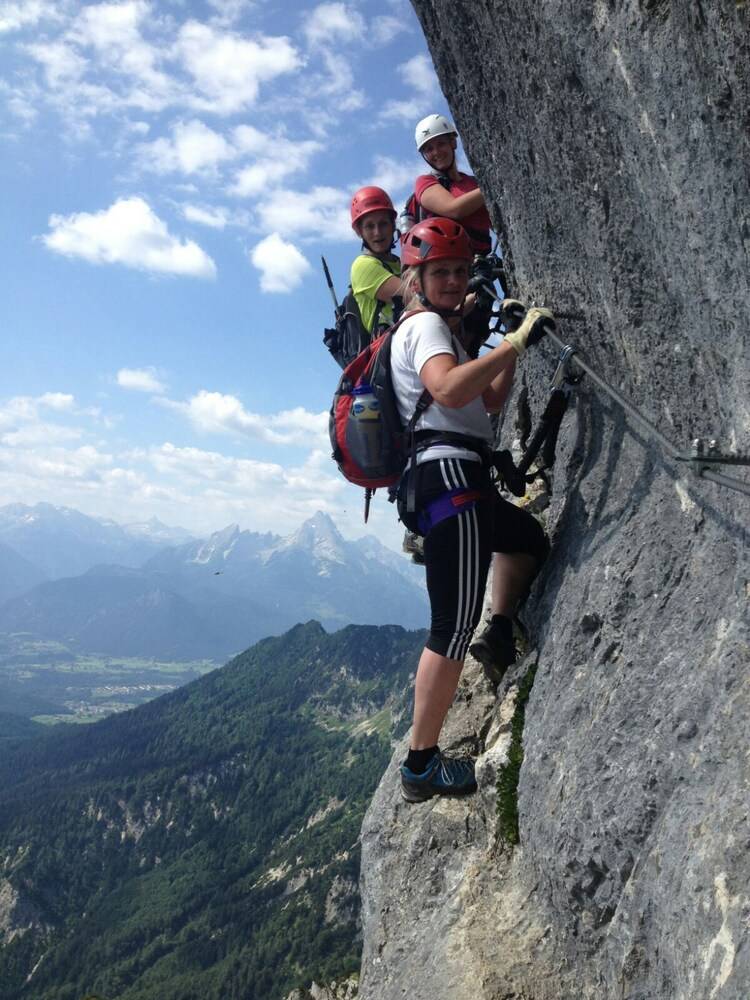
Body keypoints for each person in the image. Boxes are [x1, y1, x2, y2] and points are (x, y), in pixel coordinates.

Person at [391, 217, 552, 802]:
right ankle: (420, 766)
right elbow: (449, 390)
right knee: (450, 629)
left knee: (527, 539)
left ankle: (500, 628)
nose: (455, 280)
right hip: (450, 483)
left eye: (461, 270)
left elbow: (487, 401)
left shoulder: (445, 332)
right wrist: (513, 343)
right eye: (442, 271)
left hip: (461, 478)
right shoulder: (425, 326)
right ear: (416, 278)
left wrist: (509, 343)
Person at [349, 186, 402, 338]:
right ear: (360, 231)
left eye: (383, 224)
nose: (377, 232)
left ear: (393, 225)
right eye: (370, 226)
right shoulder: (363, 266)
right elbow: (412, 296)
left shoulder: (401, 263)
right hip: (389, 345)